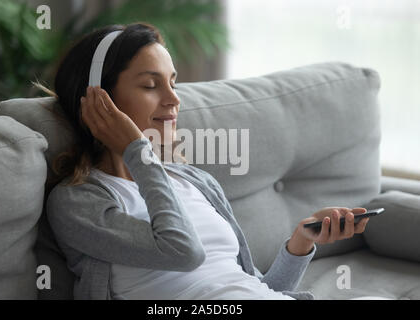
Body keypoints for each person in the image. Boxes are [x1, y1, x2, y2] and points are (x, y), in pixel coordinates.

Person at [45, 22, 370, 300]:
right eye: (150, 85)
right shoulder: (78, 201)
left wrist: (301, 242)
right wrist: (138, 149)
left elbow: (251, 290)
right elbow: (183, 252)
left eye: (173, 83)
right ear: (100, 100)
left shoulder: (194, 183)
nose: (174, 99)